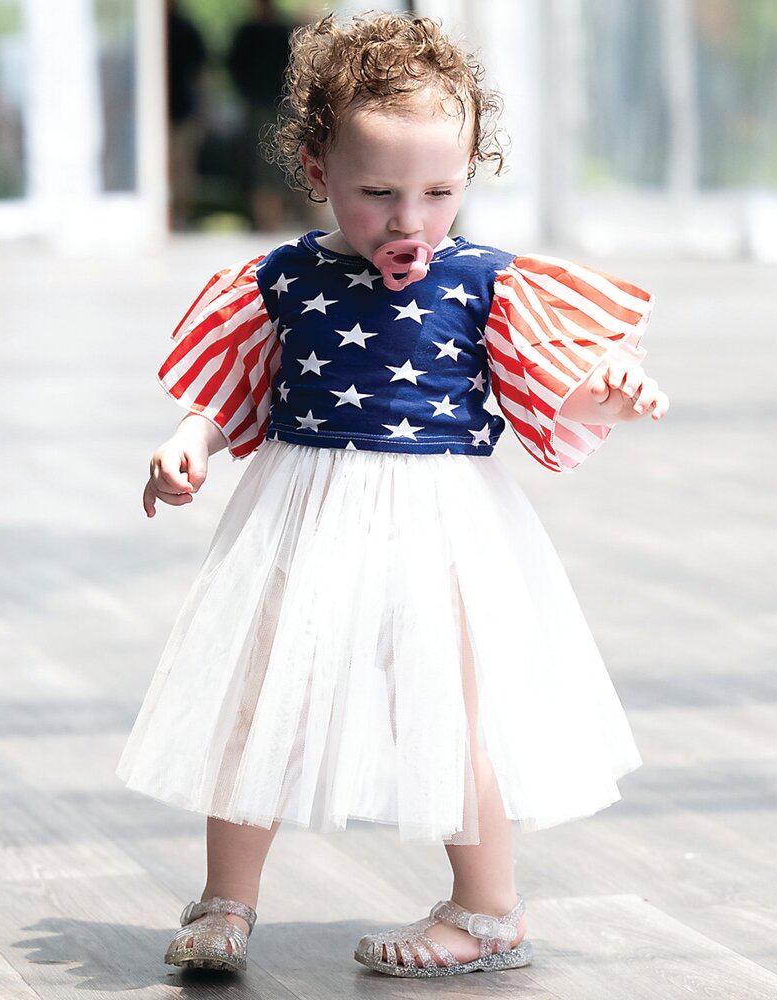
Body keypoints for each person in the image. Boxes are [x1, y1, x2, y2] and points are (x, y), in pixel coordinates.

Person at [117, 11, 671, 979]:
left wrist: (609, 394)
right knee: (261, 698)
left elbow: (547, 385)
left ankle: (489, 909)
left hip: (437, 521)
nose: (409, 220)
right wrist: (188, 440)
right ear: (314, 164)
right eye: (377, 192)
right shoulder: (283, 277)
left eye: (439, 192)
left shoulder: (484, 283)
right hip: (303, 505)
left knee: (448, 709)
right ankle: (225, 902)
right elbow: (232, 385)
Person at [227, 0, 297, 229]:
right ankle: (268, 223)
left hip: (280, 105)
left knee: (278, 165)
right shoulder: (252, 32)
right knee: (264, 166)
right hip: (262, 105)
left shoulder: (282, 31)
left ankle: (272, 222)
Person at [165, 1, 209, 229]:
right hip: (174, 111)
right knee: (179, 168)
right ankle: (175, 217)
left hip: (180, 111)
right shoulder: (183, 29)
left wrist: (203, 111)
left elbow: (200, 75)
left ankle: (177, 217)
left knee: (179, 167)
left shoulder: (183, 30)